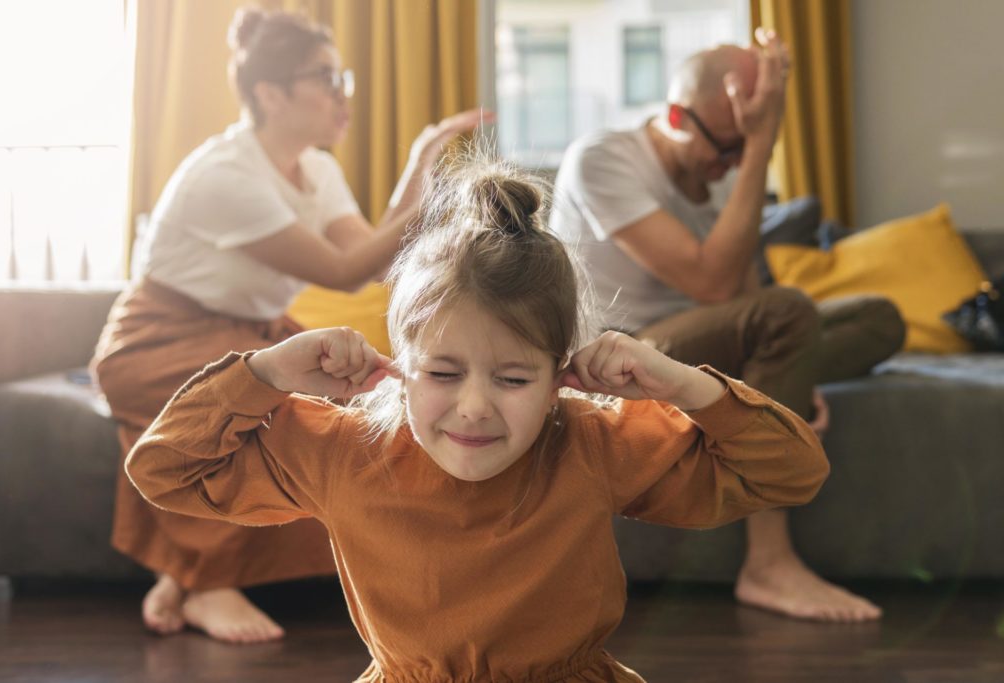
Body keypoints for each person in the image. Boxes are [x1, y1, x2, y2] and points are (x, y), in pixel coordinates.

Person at [124, 155, 829, 681]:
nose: (474, 407)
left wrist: (677, 383)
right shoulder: (345, 447)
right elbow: (165, 469)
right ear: (399, 364)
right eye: (442, 372)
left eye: (514, 377)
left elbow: (793, 470)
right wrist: (267, 372)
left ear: (559, 378)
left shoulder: (591, 439)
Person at [90, 7, 490, 644]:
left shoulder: (317, 167)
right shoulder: (226, 174)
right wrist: (421, 169)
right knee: (259, 412)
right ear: (270, 94)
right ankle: (206, 582)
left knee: (347, 414)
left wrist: (419, 164)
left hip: (246, 329)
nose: (342, 95)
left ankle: (184, 573)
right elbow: (344, 269)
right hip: (160, 336)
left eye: (344, 78)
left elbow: (372, 262)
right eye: (325, 78)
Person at [548, 28, 906, 623]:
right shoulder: (603, 158)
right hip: (622, 352)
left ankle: (769, 386)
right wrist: (763, 144)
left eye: (746, 150)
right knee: (789, 314)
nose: (736, 164)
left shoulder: (717, 180)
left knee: (878, 318)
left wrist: (787, 365)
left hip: (701, 338)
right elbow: (711, 282)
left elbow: (744, 298)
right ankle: (768, 563)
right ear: (674, 116)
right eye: (728, 146)